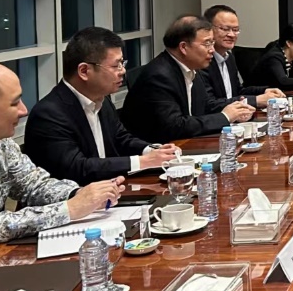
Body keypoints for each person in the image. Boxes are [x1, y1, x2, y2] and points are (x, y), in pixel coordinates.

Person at [0, 61, 122, 281]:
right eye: (14, 103)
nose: (24, 110)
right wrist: (67, 209)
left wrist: (80, 194)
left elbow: (33, 185)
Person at [25, 27, 182, 184]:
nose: (123, 71)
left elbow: (120, 139)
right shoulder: (49, 114)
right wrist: (143, 162)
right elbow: (77, 167)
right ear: (84, 71)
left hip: (112, 189)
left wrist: (153, 150)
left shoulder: (102, 99)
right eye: (115, 66)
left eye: (122, 63)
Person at [121, 15, 256, 144]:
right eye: (207, 44)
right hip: (161, 151)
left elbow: (206, 106)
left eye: (212, 43)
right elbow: (175, 126)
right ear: (183, 47)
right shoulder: (159, 76)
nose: (212, 50)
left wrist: (237, 111)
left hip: (189, 143)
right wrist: (225, 117)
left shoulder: (191, 69)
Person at [199, 5, 285, 105]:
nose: (231, 35)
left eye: (235, 30)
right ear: (208, 30)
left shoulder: (229, 57)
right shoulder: (202, 60)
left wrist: (265, 91)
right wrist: (255, 100)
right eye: (225, 29)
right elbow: (210, 104)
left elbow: (238, 92)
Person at [246, 24, 293, 91]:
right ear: (289, 43)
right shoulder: (273, 57)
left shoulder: (291, 59)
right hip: (253, 95)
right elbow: (283, 82)